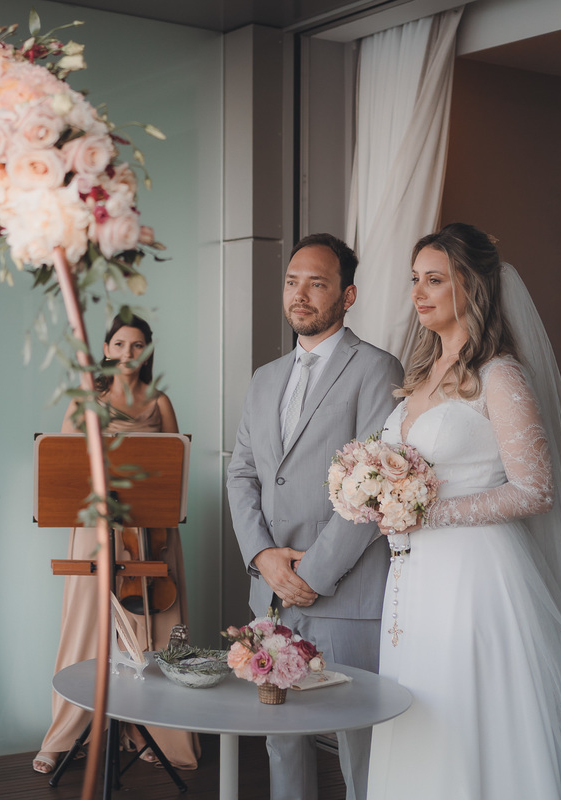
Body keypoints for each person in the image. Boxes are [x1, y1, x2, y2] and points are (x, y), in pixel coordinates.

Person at [366, 223, 561, 800]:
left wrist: (427, 514)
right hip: (412, 578)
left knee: (466, 715)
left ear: (473, 286)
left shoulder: (500, 375)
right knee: (417, 711)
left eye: (435, 280)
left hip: (475, 578)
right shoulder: (419, 376)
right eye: (415, 279)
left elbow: (534, 490)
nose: (418, 293)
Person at [227, 233, 403, 800]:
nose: (299, 295)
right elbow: (242, 475)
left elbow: (375, 484)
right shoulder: (264, 377)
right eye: (291, 281)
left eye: (317, 283)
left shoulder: (377, 369)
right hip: (270, 593)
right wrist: (263, 558)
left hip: (345, 595)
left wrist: (312, 576)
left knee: (360, 741)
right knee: (280, 736)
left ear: (347, 296)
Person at [34, 315, 200, 775]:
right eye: (121, 344)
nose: (128, 353)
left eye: (138, 345)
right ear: (106, 348)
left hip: (152, 531)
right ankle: (64, 736)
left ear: (148, 352)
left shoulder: (159, 401)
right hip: (95, 527)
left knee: (157, 629)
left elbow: (176, 464)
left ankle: (156, 734)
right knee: (85, 627)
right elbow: (65, 464)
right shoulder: (84, 398)